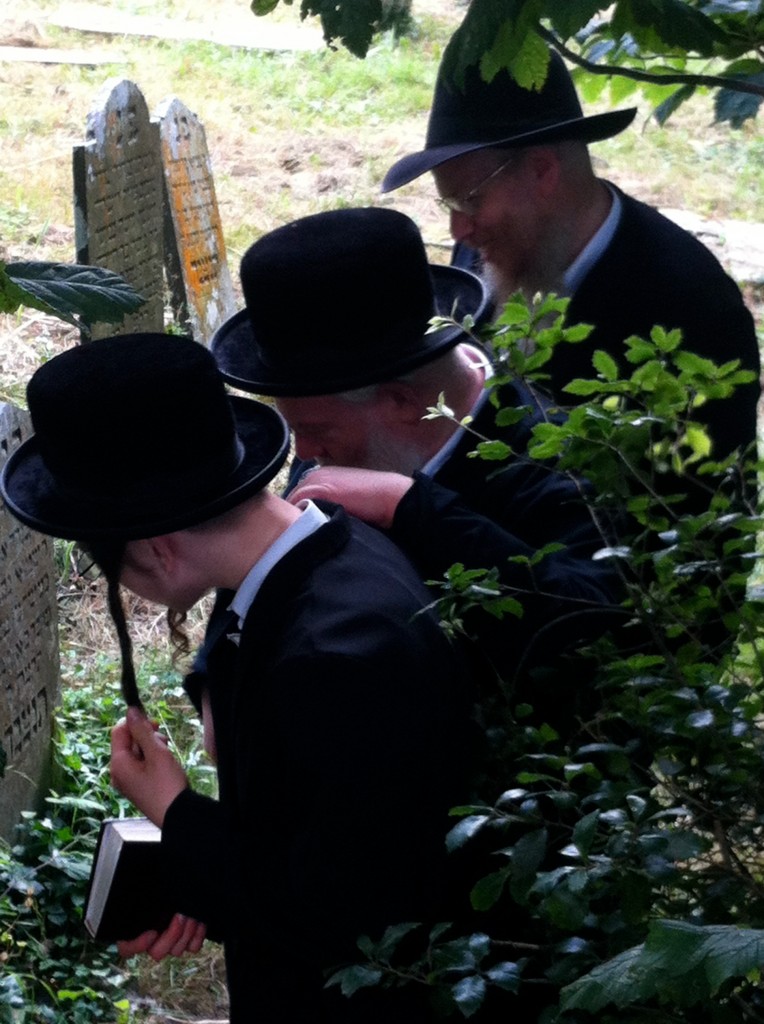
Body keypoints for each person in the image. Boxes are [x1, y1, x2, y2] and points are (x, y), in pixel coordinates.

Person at [0, 333, 478, 1023]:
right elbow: (311, 832)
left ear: (160, 549)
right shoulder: (324, 548)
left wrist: (174, 811)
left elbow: (341, 916)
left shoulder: (336, 659)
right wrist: (200, 881)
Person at [208, 206, 622, 714]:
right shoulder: (339, 436)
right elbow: (271, 562)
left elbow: (597, 631)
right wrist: (217, 675)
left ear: (403, 403)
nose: (306, 455)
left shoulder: (554, 461)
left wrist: (411, 507)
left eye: (315, 431)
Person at [381, 42, 761, 463]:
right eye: (449, 206)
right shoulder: (490, 245)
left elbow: (692, 509)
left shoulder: (692, 307)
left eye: (469, 201)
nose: (458, 230)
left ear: (543, 171)